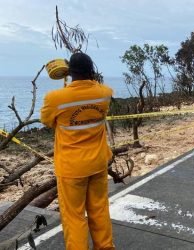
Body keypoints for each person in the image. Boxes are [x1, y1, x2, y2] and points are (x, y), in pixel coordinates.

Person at [41, 52, 115, 250]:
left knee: (74, 216)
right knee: (99, 210)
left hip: (71, 167)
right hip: (98, 162)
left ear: (69, 71)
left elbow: (47, 121)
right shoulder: (105, 93)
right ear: (92, 70)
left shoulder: (55, 98)